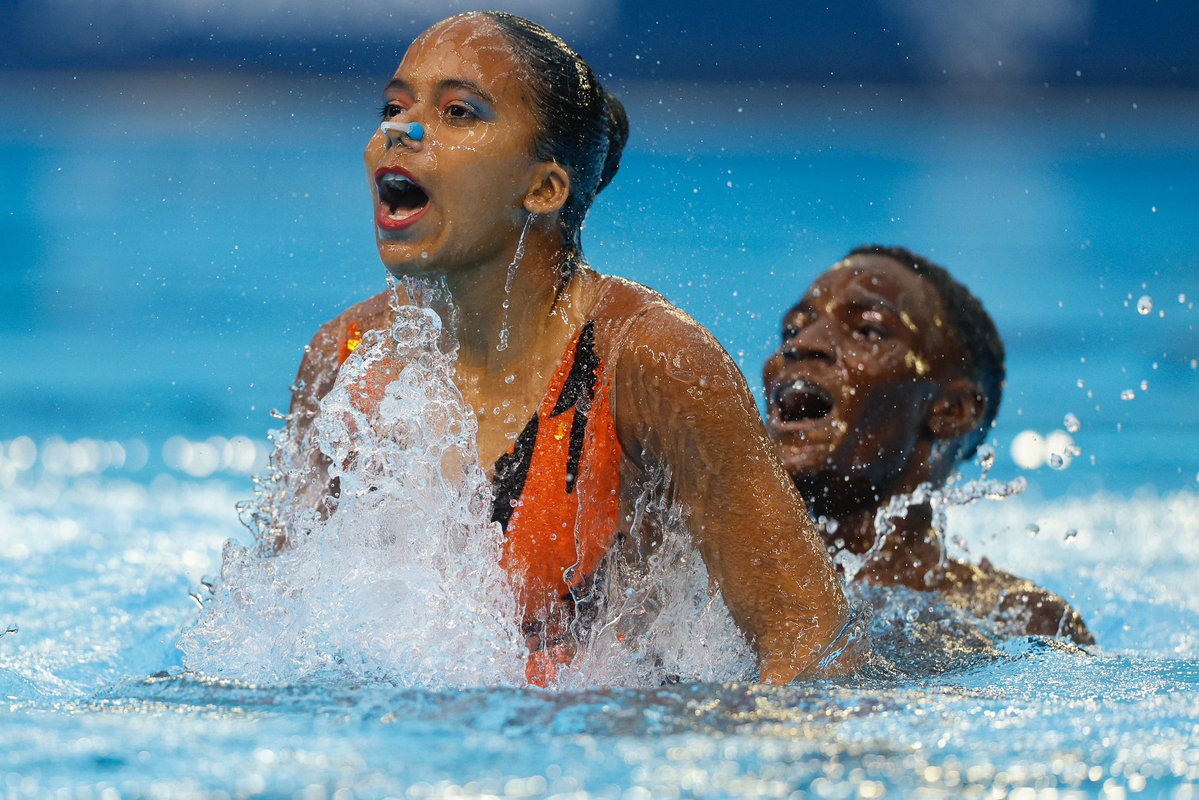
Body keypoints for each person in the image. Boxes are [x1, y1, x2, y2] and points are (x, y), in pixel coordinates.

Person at [285, 12, 855, 685]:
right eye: (393, 107)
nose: (400, 132)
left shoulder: (653, 363)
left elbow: (812, 648)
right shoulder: (346, 358)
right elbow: (280, 627)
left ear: (544, 188)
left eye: (458, 112)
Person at [762, 245, 1093, 644]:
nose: (801, 344)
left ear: (953, 411)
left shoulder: (1016, 619)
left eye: (867, 331)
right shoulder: (706, 567)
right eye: (793, 329)